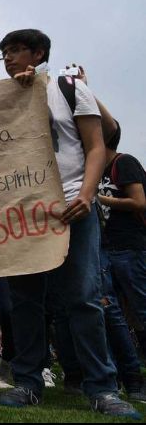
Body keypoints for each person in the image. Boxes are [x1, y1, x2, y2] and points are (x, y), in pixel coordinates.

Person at [0, 29, 140, 419]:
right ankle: (28, 382)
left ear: (37, 53)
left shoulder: (69, 88)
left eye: (15, 51)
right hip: (24, 212)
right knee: (25, 299)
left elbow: (96, 146)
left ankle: (103, 388)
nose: (7, 59)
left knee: (83, 297)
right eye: (3, 54)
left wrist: (87, 195)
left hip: (74, 204)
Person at [97, 117, 146, 402]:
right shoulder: (99, 170)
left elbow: (139, 202)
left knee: (140, 308)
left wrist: (104, 200)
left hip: (131, 248)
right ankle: (127, 374)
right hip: (108, 249)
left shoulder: (124, 163)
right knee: (111, 310)